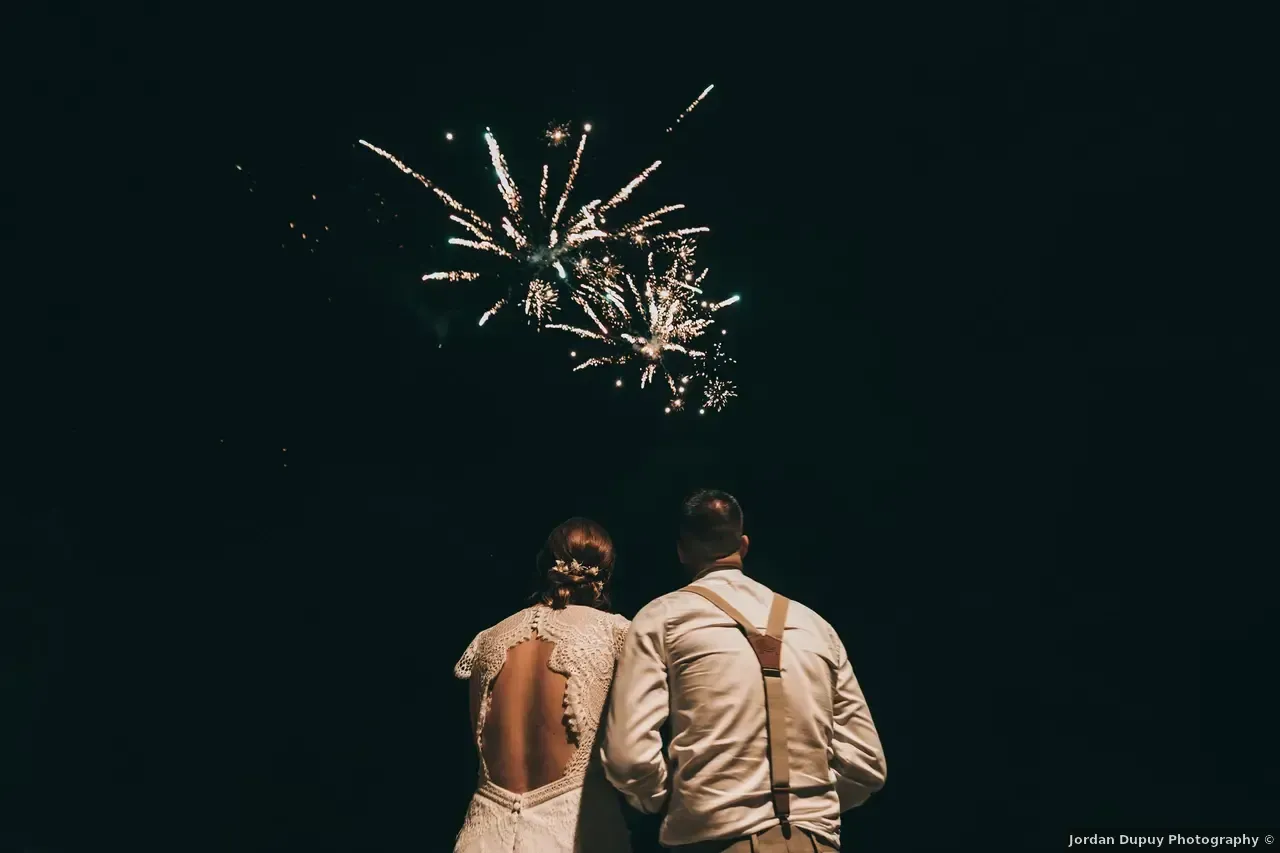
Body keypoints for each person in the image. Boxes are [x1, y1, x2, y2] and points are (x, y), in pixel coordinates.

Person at [601, 490, 886, 851]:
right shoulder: (816, 626)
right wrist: (812, 806)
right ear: (744, 545)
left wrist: (667, 799)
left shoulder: (662, 618)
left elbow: (628, 758)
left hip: (716, 841)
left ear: (682, 550)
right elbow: (866, 764)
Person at [453, 518, 633, 853]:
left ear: (544, 567)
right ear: (603, 578)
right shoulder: (615, 634)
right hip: (574, 834)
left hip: (484, 835)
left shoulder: (487, 639)